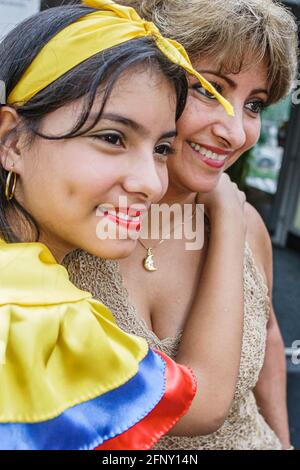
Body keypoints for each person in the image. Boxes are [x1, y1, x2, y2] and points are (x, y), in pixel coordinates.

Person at [0, 0, 233, 450]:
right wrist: (228, 218)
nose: (150, 182)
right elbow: (200, 404)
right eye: (111, 138)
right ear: (11, 140)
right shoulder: (30, 315)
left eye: (162, 148)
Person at [65, 0, 298, 449]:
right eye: (210, 90)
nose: (235, 133)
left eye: (254, 105)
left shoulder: (248, 223)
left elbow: (268, 337)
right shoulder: (64, 224)